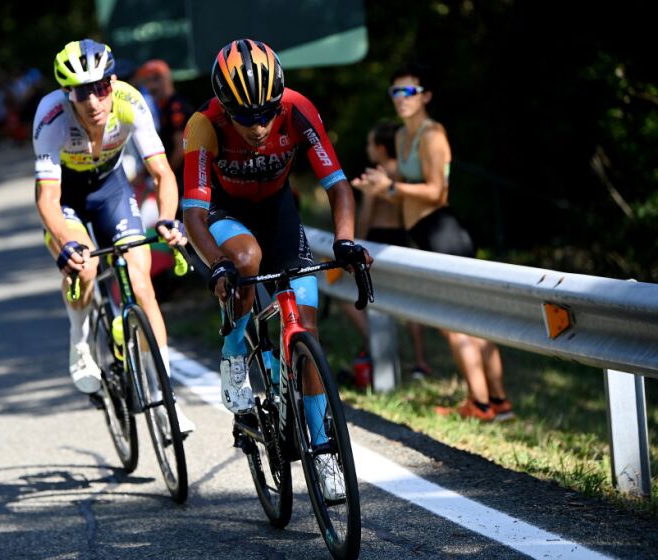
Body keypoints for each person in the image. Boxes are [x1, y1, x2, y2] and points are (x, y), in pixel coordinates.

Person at [182, 39, 372, 499]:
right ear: (225, 107)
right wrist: (218, 265)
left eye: (266, 113)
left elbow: (338, 185)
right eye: (245, 117)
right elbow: (193, 215)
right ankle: (234, 352)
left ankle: (322, 450)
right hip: (224, 213)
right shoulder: (204, 124)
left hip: (278, 211)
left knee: (306, 326)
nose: (259, 126)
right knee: (245, 261)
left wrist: (345, 240)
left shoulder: (297, 109)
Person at [32, 39, 195, 434]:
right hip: (67, 197)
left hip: (111, 190)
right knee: (85, 267)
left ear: (113, 82)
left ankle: (165, 399)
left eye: (101, 87)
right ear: (67, 94)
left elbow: (163, 174)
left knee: (141, 283)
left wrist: (168, 218)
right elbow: (47, 198)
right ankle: (79, 339)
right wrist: (67, 243)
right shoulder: (51, 116)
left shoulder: (129, 102)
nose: (93, 101)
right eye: (81, 92)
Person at [352, 63, 512, 422]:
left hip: (444, 232)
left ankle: (481, 405)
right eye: (395, 92)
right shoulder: (401, 136)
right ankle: (498, 403)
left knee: (456, 322)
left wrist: (392, 187)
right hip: (424, 233)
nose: (401, 98)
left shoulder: (432, 134)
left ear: (425, 96)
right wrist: (378, 189)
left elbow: (437, 192)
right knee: (467, 320)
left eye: (409, 91)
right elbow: (405, 194)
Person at [347, 122, 432, 379]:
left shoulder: (378, 174)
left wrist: (357, 241)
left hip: (377, 238)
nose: (368, 149)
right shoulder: (404, 173)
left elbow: (366, 216)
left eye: (370, 144)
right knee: (408, 301)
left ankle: (377, 348)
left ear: (381, 148)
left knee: (353, 296)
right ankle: (420, 361)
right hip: (402, 238)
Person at [135, 59, 195, 198]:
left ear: (167, 79)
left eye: (155, 79)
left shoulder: (175, 106)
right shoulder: (162, 106)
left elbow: (181, 147)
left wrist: (166, 175)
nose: (150, 86)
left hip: (184, 179)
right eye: (147, 81)